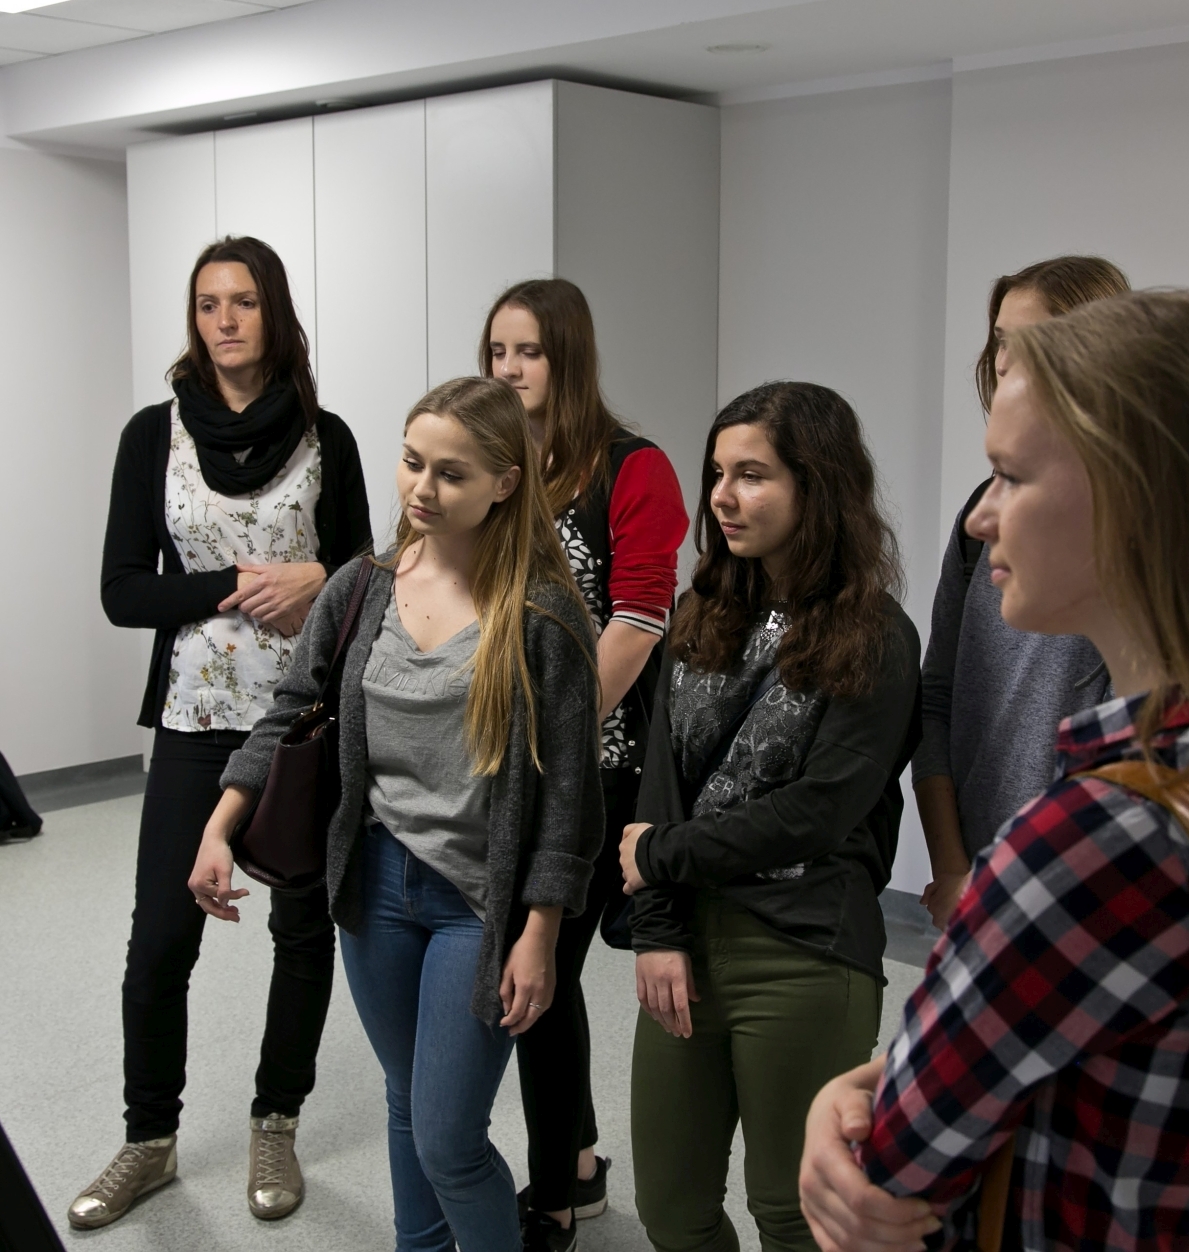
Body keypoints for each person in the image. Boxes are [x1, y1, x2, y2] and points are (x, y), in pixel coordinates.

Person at [798, 290, 1189, 1252]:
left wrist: (842, 1102)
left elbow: (894, 1172)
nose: (980, 518)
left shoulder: (1101, 836)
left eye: (1009, 476)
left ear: (1135, 500)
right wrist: (880, 1077)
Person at [188, 375, 602, 1252]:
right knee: (408, 1104)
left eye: (452, 474)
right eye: (413, 462)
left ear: (505, 483)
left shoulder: (544, 614)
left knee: (450, 1139)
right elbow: (288, 713)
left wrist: (540, 932)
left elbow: (569, 797)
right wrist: (221, 824)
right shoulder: (361, 587)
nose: (422, 488)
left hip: (477, 903)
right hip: (374, 885)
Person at [77, 235, 372, 1229]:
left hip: (303, 723)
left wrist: (319, 576)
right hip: (195, 719)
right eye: (208, 304)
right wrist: (239, 585)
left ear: (273, 312)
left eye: (243, 301)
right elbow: (124, 591)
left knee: (302, 930)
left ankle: (275, 1122)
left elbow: (366, 575)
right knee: (160, 941)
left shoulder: (328, 436)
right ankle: (148, 1140)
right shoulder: (149, 434)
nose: (225, 320)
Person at [618, 381, 921, 1252]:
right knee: (672, 1211)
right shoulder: (701, 610)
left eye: (752, 475)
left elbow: (817, 813)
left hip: (803, 946)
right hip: (685, 939)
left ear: (816, 486)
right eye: (717, 474)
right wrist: (657, 928)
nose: (723, 496)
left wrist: (662, 856)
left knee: (793, 1213)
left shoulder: (877, 636)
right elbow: (661, 776)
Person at [483, 278, 688, 1251]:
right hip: (508, 758)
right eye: (496, 352)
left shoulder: (631, 466)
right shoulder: (501, 468)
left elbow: (639, 622)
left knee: (543, 972)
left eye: (527, 351)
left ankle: (555, 1197)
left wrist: (556, 739)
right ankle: (579, 1159)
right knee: (543, 974)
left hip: (596, 762)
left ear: (567, 357)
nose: (508, 369)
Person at [913, 256, 1127, 928]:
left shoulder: (1146, 523)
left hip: (1088, 887)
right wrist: (954, 866)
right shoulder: (981, 520)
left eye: (1030, 344)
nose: (1006, 362)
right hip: (982, 878)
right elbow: (937, 697)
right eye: (1001, 341)